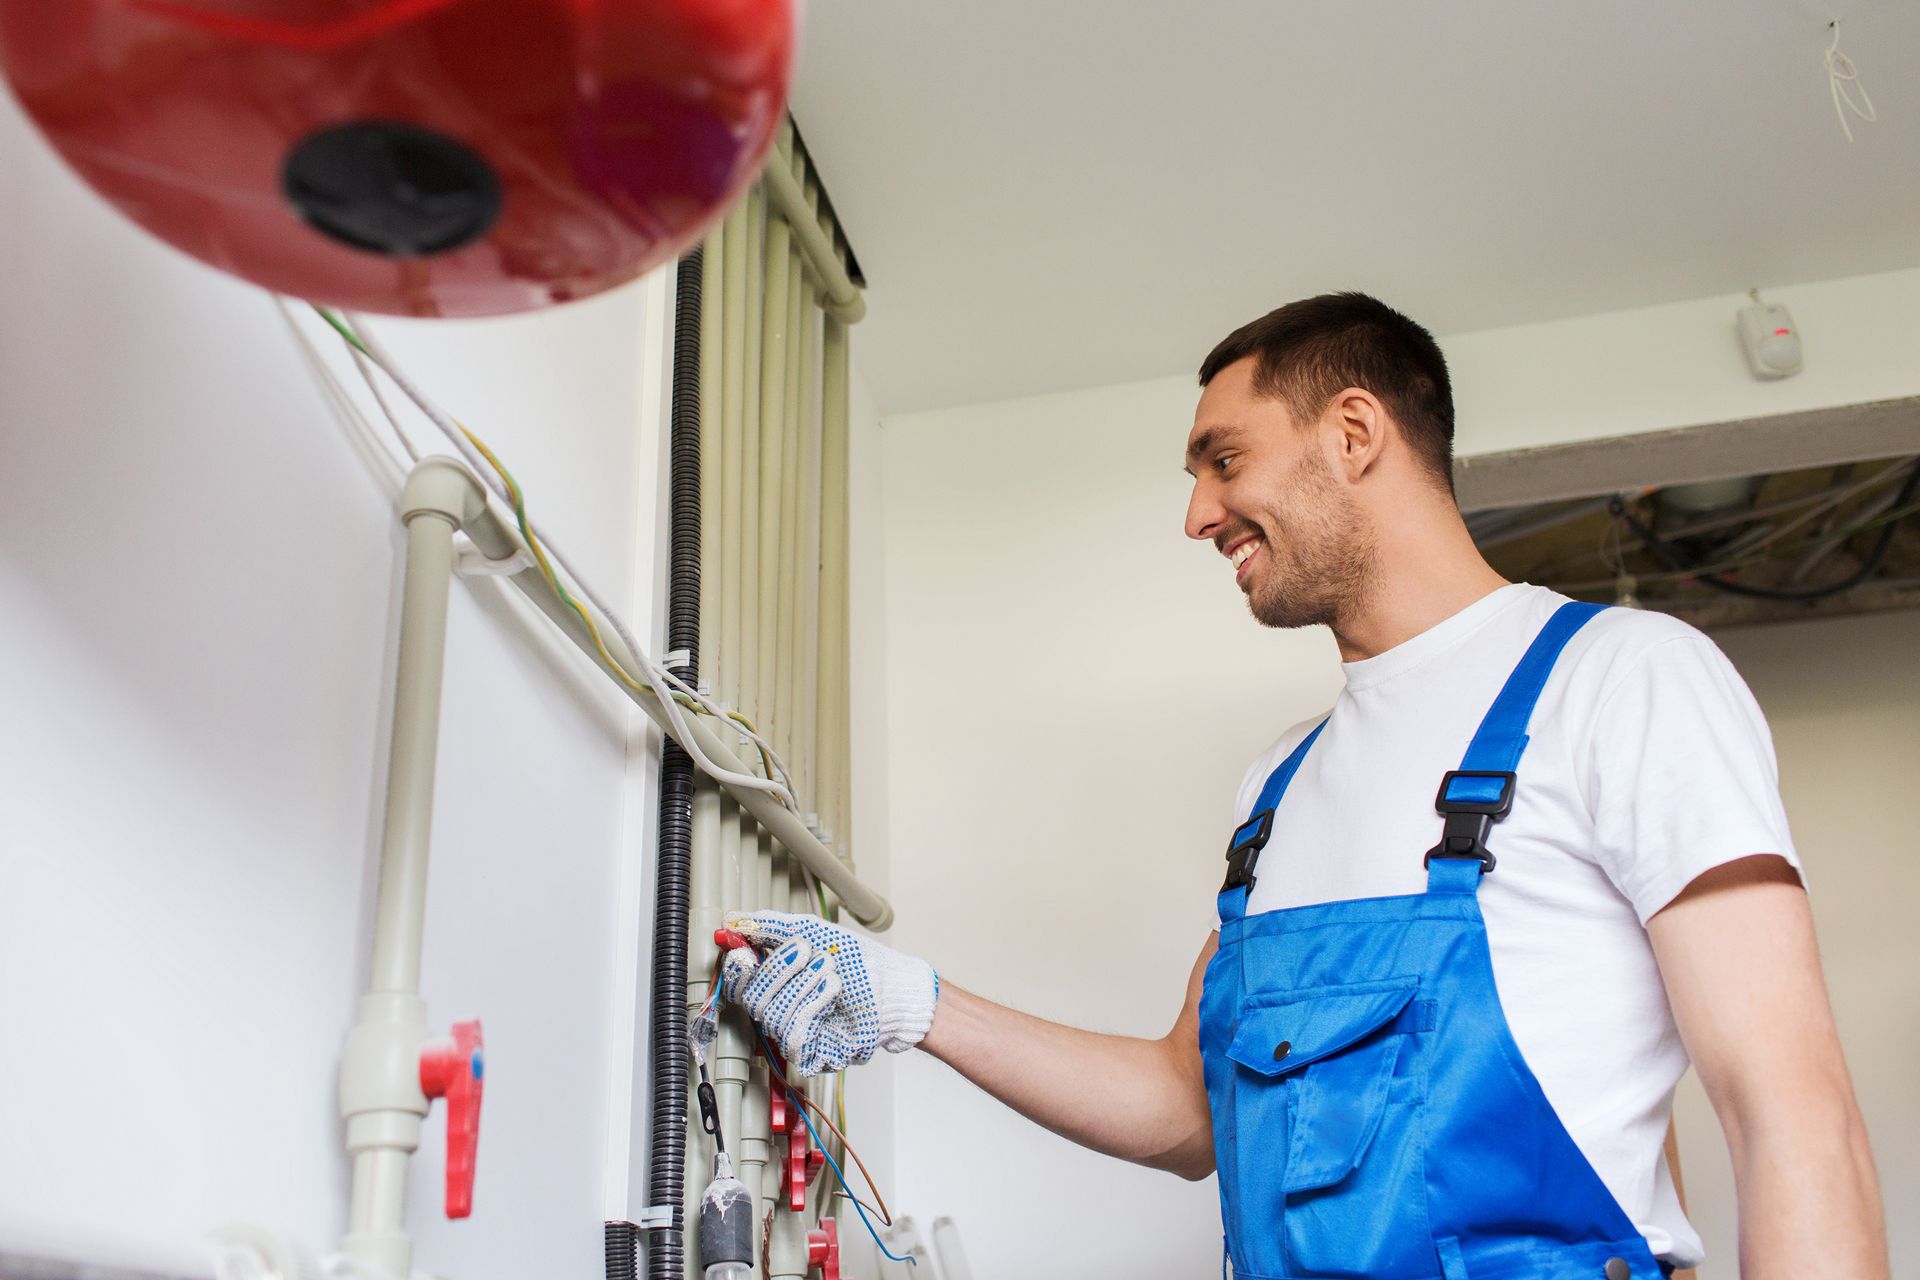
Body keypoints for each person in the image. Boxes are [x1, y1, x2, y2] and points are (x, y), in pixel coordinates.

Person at [718, 293, 1887, 1279]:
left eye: (1224, 461)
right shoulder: (1277, 784)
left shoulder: (1623, 678)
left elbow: (1793, 1113)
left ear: (1356, 431)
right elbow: (1186, 1107)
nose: (1196, 515)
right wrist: (912, 1000)